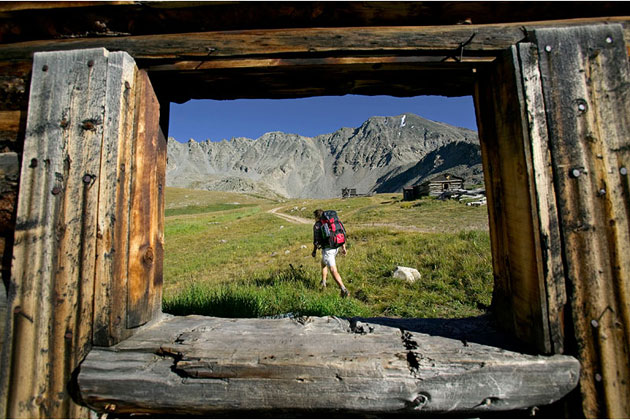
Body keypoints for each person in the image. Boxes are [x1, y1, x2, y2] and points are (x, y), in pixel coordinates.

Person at [311, 209, 349, 298]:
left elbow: (316, 240)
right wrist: (343, 248)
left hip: (328, 249)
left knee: (333, 270)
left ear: (317, 217)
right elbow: (340, 232)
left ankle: (343, 289)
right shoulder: (332, 222)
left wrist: (314, 251)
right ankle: (323, 282)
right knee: (323, 263)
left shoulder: (318, 225)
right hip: (336, 246)